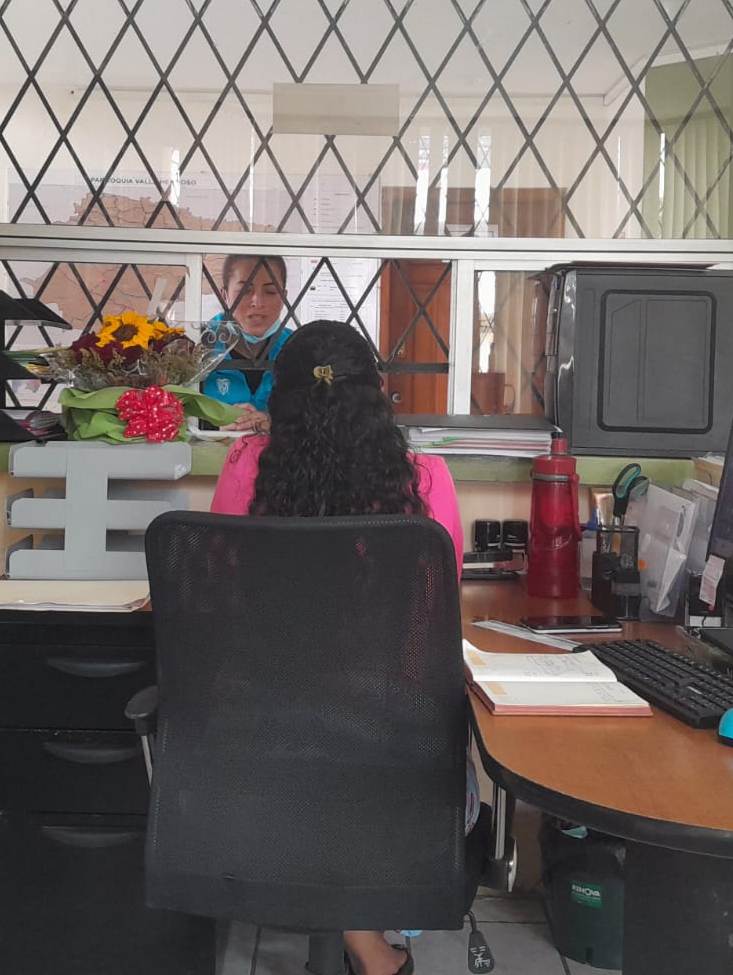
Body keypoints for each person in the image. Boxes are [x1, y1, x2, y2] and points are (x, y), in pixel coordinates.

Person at [210, 320, 470, 975]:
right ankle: (365, 941)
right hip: (389, 727)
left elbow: (221, 588)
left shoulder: (245, 467)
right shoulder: (427, 479)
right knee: (351, 747)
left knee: (317, 744)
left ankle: (358, 939)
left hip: (259, 719)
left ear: (279, 399)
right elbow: (438, 607)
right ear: (377, 394)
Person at [202, 255, 294, 433]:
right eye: (244, 291)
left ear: (284, 297)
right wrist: (213, 426)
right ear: (224, 296)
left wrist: (275, 424)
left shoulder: (297, 349)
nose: (257, 302)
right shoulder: (197, 346)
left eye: (270, 291)